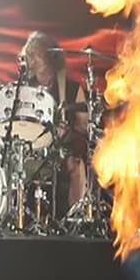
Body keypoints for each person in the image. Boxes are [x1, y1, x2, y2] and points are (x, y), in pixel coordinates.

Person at [18, 31, 92, 217]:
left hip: (61, 148)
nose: (31, 60)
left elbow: (84, 126)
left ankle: (74, 217)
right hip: (32, 147)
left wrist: (68, 130)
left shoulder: (72, 88)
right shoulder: (24, 87)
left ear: (50, 57)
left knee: (75, 165)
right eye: (29, 55)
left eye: (36, 55)